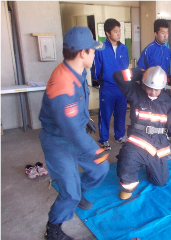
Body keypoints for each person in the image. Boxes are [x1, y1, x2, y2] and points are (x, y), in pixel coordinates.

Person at [39, 26, 110, 240]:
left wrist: (85, 119)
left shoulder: (79, 71)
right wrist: (94, 149)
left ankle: (77, 192)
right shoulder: (62, 85)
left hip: (73, 133)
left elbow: (79, 103)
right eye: (93, 50)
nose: (95, 53)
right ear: (82, 53)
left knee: (101, 168)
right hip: (59, 142)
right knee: (69, 191)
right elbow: (70, 132)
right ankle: (53, 229)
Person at [113, 66, 171, 200]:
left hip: (157, 145)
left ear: (163, 87)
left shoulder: (167, 100)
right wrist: (140, 73)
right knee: (127, 161)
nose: (152, 92)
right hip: (138, 141)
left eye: (156, 89)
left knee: (161, 181)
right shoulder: (135, 92)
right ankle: (129, 184)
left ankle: (147, 163)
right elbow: (118, 75)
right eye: (149, 87)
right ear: (143, 83)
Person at [93, 18, 129, 150]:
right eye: (115, 31)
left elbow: (125, 67)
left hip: (121, 88)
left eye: (119, 31)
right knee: (105, 114)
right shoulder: (100, 48)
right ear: (108, 33)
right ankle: (104, 139)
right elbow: (96, 69)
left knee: (121, 113)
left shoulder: (123, 48)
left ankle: (119, 136)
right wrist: (103, 81)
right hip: (107, 88)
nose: (119, 34)